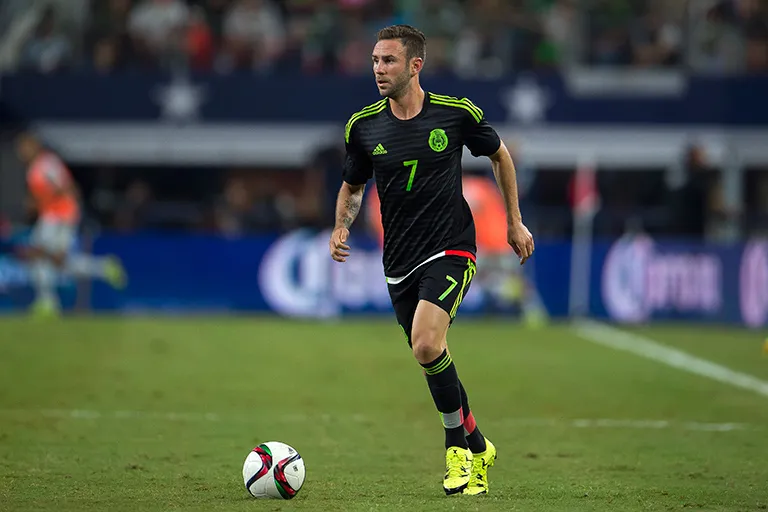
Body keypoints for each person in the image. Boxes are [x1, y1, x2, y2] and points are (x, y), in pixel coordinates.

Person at [328, 25, 534, 496]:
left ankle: (457, 454)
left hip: (451, 247)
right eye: (375, 61)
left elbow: (501, 156)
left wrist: (513, 222)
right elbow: (353, 185)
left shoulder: (455, 115)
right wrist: (341, 224)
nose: (378, 69)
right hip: (398, 260)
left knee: (425, 344)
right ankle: (480, 443)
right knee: (432, 354)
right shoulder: (363, 126)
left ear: (415, 65)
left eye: (389, 61)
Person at [15, 131, 127, 316]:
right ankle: (104, 267)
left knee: (37, 252)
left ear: (34, 146)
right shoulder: (36, 167)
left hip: (59, 216)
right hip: (53, 215)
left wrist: (67, 212)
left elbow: (66, 188)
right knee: (59, 261)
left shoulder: (46, 164)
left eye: (24, 148)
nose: (21, 152)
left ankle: (47, 302)